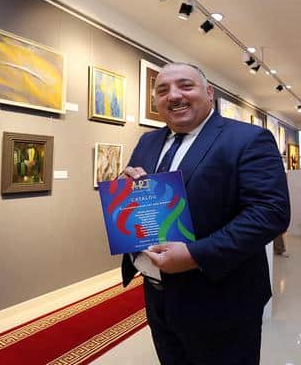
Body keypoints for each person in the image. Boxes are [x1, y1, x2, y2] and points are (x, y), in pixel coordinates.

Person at [120, 63, 290, 365]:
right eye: (163, 90)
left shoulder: (249, 138)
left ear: (209, 93)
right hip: (158, 296)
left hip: (223, 303)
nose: (174, 96)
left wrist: (195, 255)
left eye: (185, 86)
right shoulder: (148, 141)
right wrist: (127, 192)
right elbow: (145, 204)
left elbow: (270, 212)